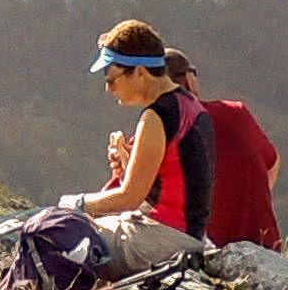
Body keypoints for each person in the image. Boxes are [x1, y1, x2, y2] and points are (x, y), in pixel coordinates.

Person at [64, 19, 210, 275]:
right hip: (188, 234)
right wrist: (128, 165)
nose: (109, 90)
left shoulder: (156, 116)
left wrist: (75, 204)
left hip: (161, 239)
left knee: (57, 235)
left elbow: (129, 197)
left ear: (140, 72)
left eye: (112, 79)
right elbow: (176, 183)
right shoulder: (189, 105)